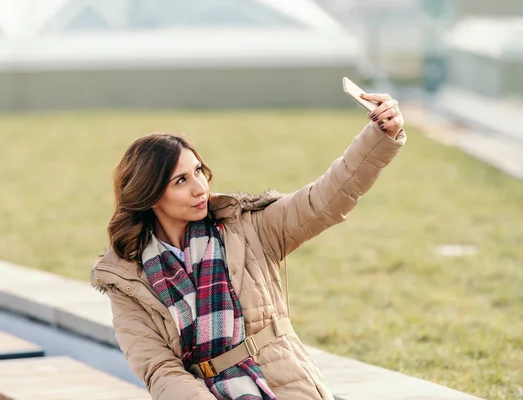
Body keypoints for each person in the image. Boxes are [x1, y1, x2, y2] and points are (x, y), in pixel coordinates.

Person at [91, 93, 406, 400]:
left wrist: (379, 135)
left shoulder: (248, 227)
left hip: (282, 385)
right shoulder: (128, 279)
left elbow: (326, 198)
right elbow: (160, 370)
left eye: (198, 171)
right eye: (181, 181)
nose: (201, 187)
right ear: (150, 195)